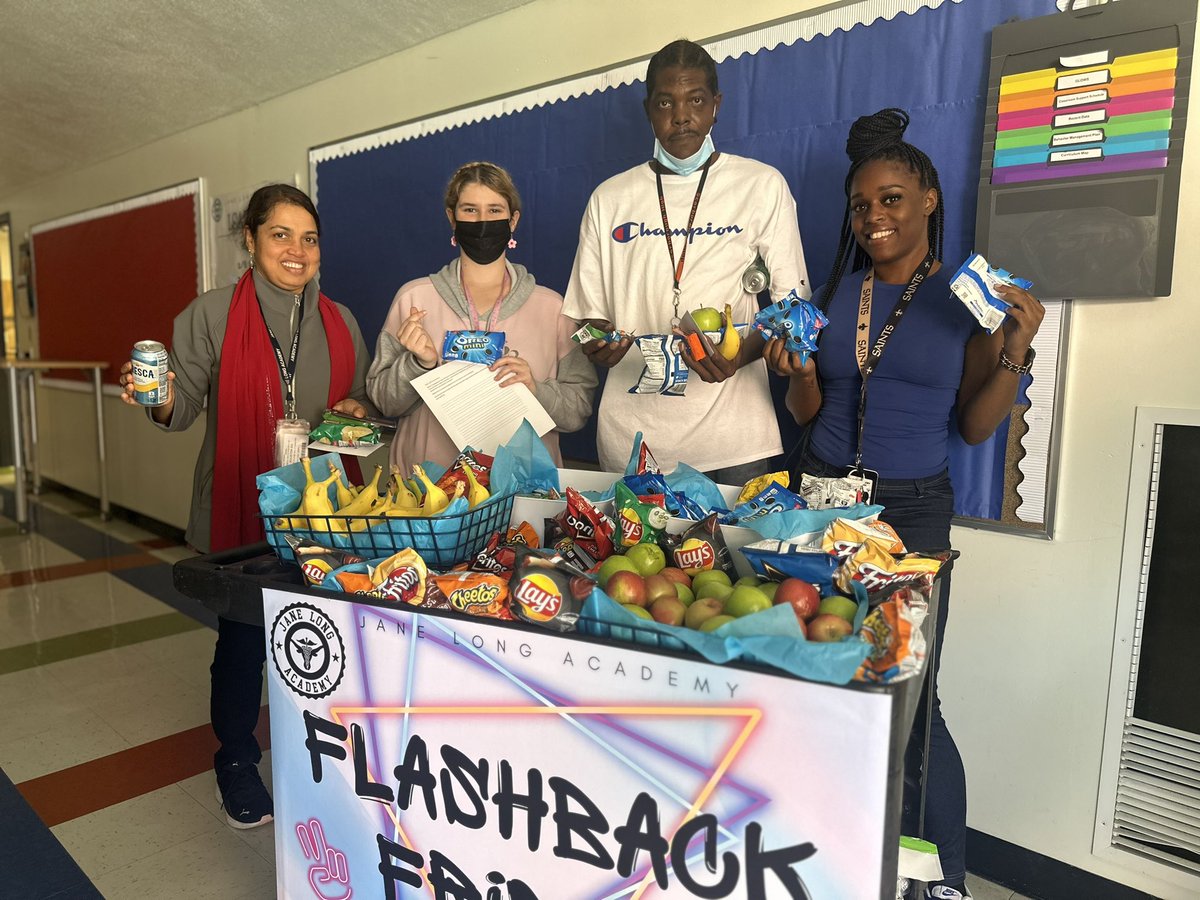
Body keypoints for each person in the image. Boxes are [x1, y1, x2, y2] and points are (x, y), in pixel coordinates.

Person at [765, 109, 1044, 900]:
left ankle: (942, 880)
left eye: (891, 199)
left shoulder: (967, 303)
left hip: (911, 515)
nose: (875, 217)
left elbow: (975, 425)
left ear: (927, 199)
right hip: (820, 502)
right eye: (862, 206)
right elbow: (809, 412)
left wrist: (1017, 352)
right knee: (816, 676)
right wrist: (798, 370)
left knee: (914, 702)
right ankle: (824, 849)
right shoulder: (838, 291)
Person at [118, 184, 373, 829]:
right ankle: (235, 760)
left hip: (325, 514)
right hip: (243, 507)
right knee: (243, 640)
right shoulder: (210, 315)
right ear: (251, 241)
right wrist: (157, 397)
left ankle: (321, 760)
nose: (296, 250)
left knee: (325, 645)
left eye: (309, 238)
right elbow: (180, 412)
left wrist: (357, 412)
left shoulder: (341, 322)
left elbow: (363, 408)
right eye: (281, 234)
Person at [562, 38, 809, 482]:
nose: (681, 115)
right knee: (635, 556)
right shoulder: (609, 198)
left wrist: (740, 355)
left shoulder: (761, 185)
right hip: (632, 446)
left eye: (695, 99)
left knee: (732, 555)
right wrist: (597, 343)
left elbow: (794, 307)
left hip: (735, 443)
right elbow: (586, 317)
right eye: (665, 102)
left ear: (716, 105)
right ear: (648, 111)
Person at [366, 161, 597, 472]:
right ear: (452, 217)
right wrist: (416, 364)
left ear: (513, 220)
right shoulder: (413, 299)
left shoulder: (554, 309)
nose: (482, 221)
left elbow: (578, 411)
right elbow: (383, 402)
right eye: (470, 210)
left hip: (520, 489)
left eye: (495, 210)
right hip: (425, 491)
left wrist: (535, 389)